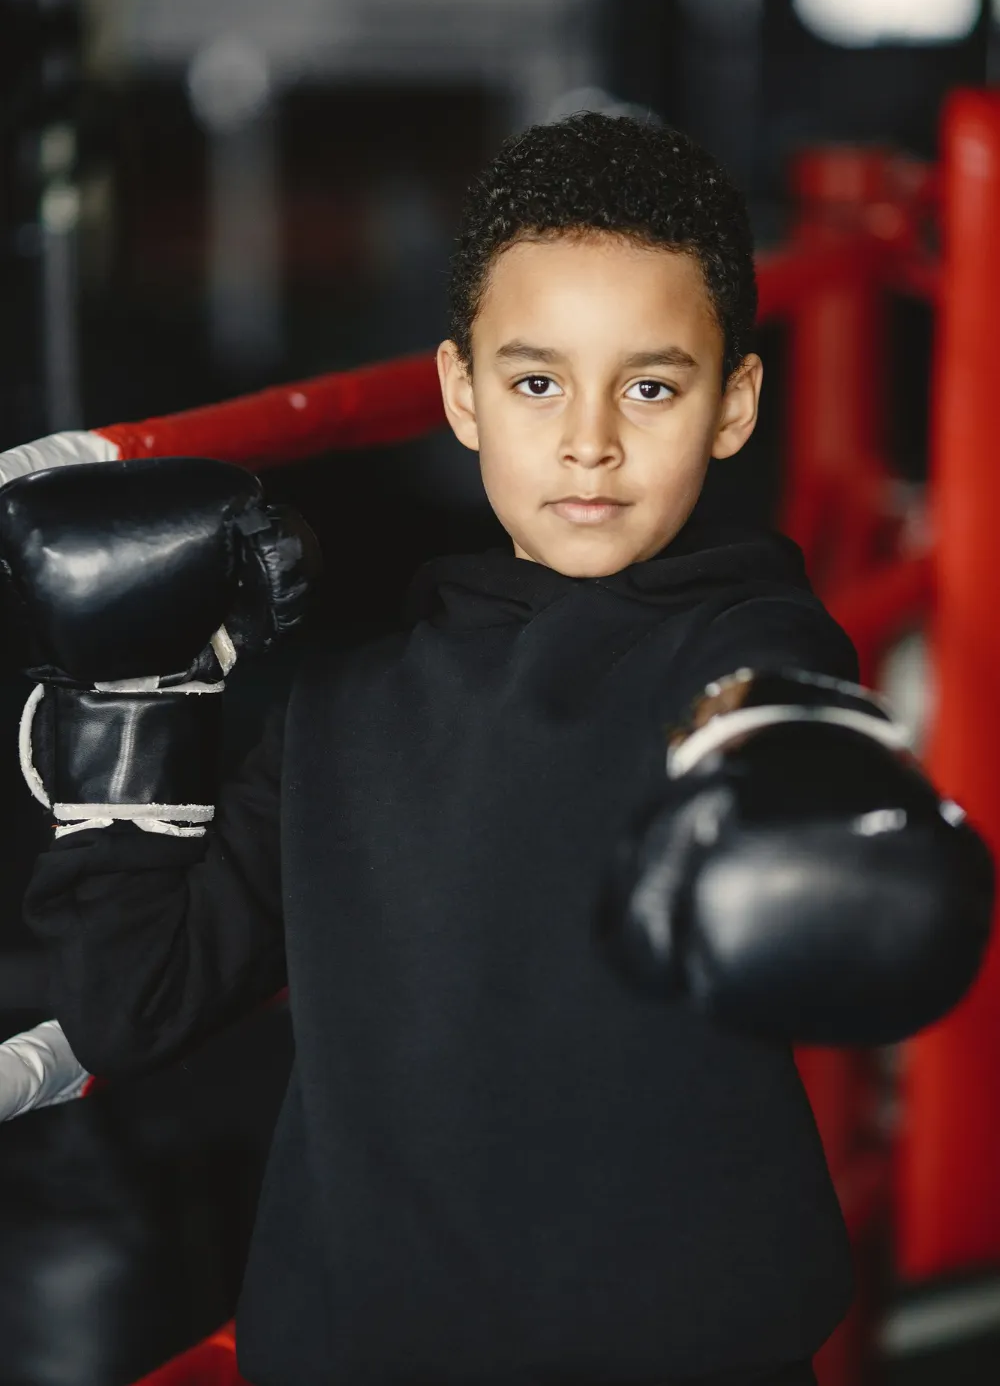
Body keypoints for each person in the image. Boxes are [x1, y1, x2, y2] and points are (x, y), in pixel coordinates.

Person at [3, 114, 992, 1386]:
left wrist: (799, 758)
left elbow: (767, 690)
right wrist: (134, 698)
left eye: (650, 385)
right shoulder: (348, 698)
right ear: (461, 393)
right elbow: (134, 1006)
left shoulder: (736, 644)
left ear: (735, 403)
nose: (590, 440)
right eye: (537, 382)